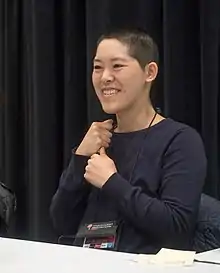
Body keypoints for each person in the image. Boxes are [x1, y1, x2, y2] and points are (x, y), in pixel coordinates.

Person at [50, 28, 207, 254]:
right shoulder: (98, 140)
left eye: (117, 66)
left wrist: (111, 181)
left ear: (149, 72)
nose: (105, 77)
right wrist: (80, 158)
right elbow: (61, 222)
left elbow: (177, 229)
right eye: (97, 67)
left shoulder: (181, 140)